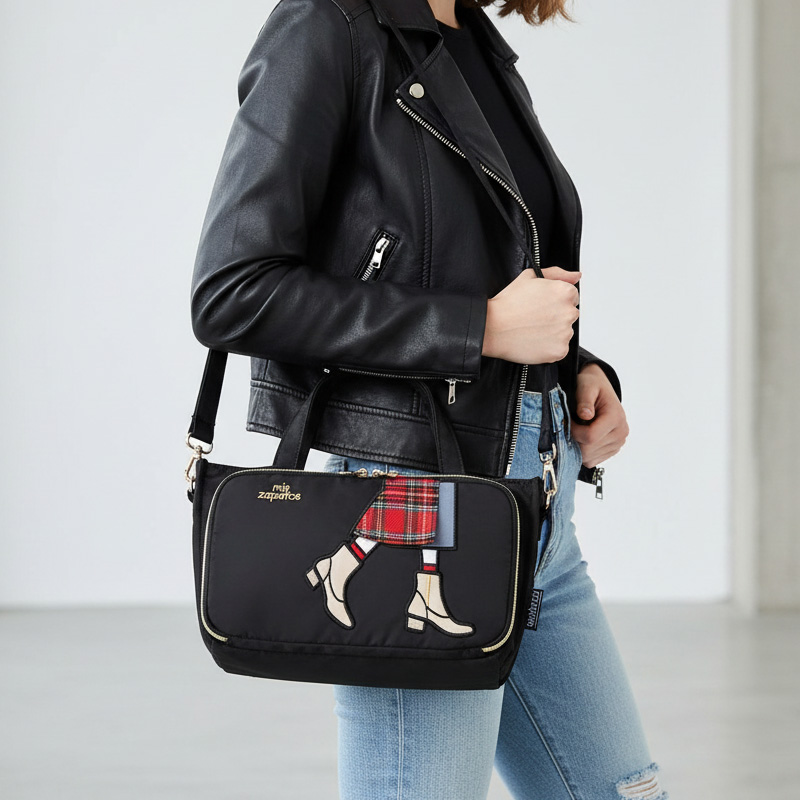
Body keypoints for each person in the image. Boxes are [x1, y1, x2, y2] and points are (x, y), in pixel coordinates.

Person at [190, 0, 667, 797]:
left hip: (533, 507)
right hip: (411, 509)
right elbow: (233, 291)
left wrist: (571, 370)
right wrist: (480, 328)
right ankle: (344, 568)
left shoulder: (474, 41)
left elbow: (470, 263)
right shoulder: (330, 24)